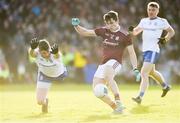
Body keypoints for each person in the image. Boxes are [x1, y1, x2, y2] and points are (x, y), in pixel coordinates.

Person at [72, 10, 141, 113]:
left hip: (115, 62)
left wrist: (135, 68)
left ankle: (118, 101)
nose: (110, 25)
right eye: (108, 23)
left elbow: (132, 53)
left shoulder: (125, 35)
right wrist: (76, 26)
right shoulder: (103, 31)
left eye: (112, 22)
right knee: (97, 91)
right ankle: (116, 108)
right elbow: (85, 32)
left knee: (109, 76)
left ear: (117, 20)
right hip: (103, 63)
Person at [129, 2, 175, 104]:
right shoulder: (144, 21)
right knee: (151, 72)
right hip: (145, 50)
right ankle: (165, 86)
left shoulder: (162, 21)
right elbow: (136, 32)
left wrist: (165, 39)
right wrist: (131, 30)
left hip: (153, 50)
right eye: (149, 10)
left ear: (157, 11)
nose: (151, 12)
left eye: (153, 10)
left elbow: (171, 32)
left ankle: (139, 97)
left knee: (144, 73)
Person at [29, 38, 67, 113]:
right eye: (43, 53)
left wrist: (56, 53)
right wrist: (32, 49)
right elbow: (32, 54)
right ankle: (45, 102)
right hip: (45, 75)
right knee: (39, 101)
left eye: (46, 52)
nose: (45, 55)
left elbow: (57, 55)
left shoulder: (54, 53)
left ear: (49, 49)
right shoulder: (37, 53)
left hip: (59, 75)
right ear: (39, 51)